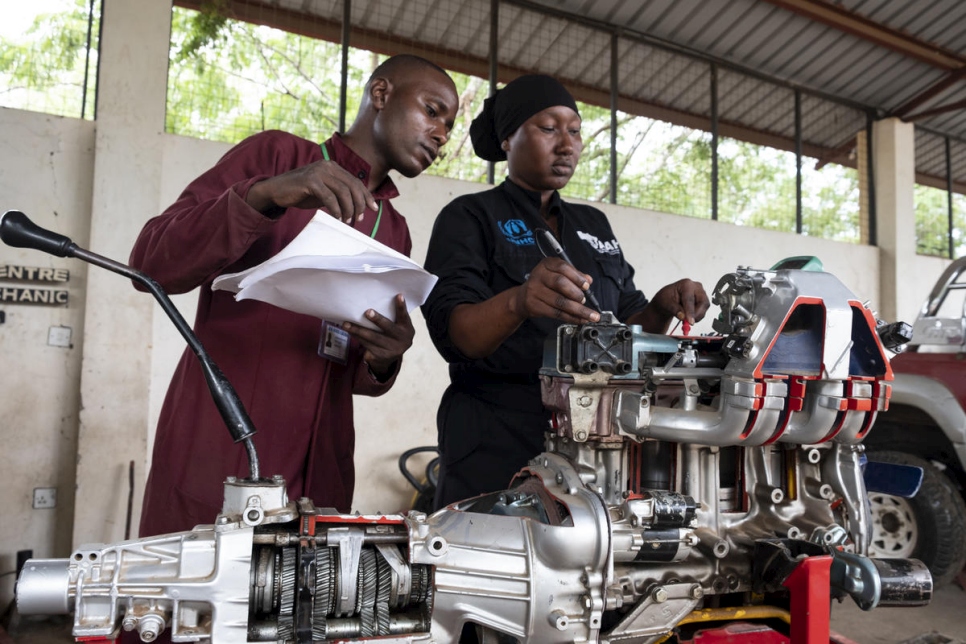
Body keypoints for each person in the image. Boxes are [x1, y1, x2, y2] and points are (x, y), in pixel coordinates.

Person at [130, 54, 459, 537]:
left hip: (318, 478)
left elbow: (351, 375)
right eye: (433, 111)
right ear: (382, 94)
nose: (442, 135)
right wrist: (266, 194)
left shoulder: (394, 230)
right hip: (220, 449)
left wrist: (384, 358)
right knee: (194, 607)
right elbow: (149, 265)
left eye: (449, 126)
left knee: (297, 609)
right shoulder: (276, 158)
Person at [421, 74, 710, 510]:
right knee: (491, 559)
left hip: (593, 438)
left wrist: (660, 305)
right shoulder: (469, 217)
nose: (567, 144)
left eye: (574, 130)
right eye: (548, 128)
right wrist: (519, 301)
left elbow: (625, 324)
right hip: (495, 435)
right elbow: (456, 335)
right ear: (507, 139)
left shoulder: (593, 225)